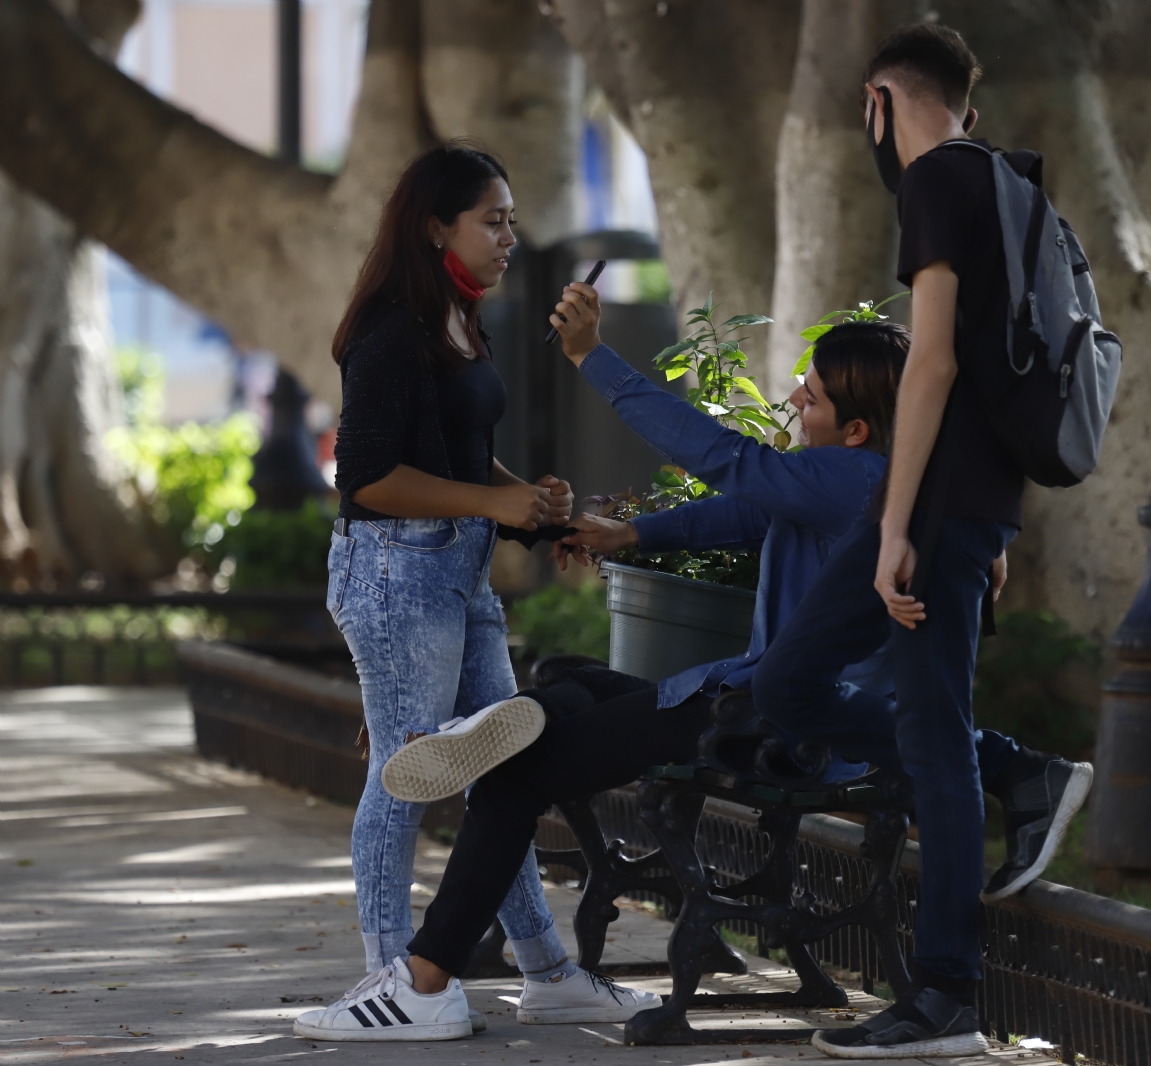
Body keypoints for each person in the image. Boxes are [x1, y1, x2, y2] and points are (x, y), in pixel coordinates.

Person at [289, 289, 1081, 1041]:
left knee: (515, 779)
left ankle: (423, 982)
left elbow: (725, 462)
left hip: (766, 725)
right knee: (576, 680)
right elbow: (752, 508)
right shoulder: (868, 484)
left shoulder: (854, 481)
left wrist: (593, 356)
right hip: (739, 703)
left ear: (857, 432)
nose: (796, 401)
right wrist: (632, 536)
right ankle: (510, 726)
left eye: (811, 396)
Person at [749, 24, 1095, 1059]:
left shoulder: (936, 181)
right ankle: (1021, 773)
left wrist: (902, 522)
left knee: (930, 738)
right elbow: (1004, 369)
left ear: (876, 101)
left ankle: (945, 992)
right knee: (792, 683)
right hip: (962, 508)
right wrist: (981, 524)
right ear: (964, 104)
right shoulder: (1001, 180)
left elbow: (933, 364)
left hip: (933, 513)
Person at [296, 142, 654, 1042]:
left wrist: (529, 506)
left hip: (456, 571)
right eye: (491, 219)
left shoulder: (460, 317)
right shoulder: (387, 331)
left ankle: (545, 972)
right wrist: (492, 502)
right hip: (393, 570)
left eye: (511, 219)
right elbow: (371, 476)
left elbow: (453, 458)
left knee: (508, 765)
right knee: (403, 774)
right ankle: (395, 981)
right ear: (434, 227)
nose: (508, 236)